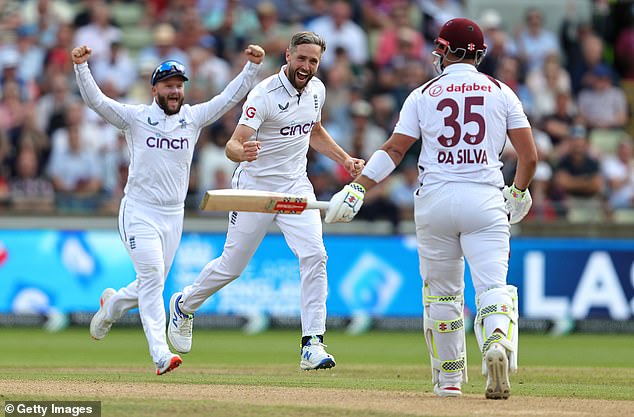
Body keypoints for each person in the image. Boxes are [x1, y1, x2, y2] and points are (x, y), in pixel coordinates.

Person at [325, 18, 538, 399]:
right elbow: (529, 157)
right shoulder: (502, 91)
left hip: (435, 201)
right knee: (492, 286)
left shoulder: (423, 93)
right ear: (480, 55)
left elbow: (394, 150)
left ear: (446, 51)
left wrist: (356, 190)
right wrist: (518, 193)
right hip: (485, 199)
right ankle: (496, 343)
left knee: (442, 295)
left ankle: (450, 380)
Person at [167, 31, 364, 370]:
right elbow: (233, 144)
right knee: (232, 266)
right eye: (301, 58)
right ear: (288, 55)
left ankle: (312, 344)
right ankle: (184, 305)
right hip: (255, 188)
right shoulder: (264, 94)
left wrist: (345, 160)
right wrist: (241, 151)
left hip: (296, 187)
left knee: (315, 255)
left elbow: (313, 131)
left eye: (313, 61)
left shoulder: (317, 89)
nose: (306, 66)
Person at [73, 42, 265, 375]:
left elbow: (227, 99)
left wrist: (251, 68)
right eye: (168, 85)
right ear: (155, 89)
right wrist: (82, 67)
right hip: (139, 210)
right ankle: (161, 354)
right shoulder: (135, 118)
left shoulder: (191, 119)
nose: (175, 90)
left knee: (151, 281)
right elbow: (96, 101)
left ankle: (113, 306)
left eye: (179, 85)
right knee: (152, 280)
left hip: (173, 215)